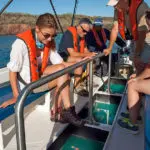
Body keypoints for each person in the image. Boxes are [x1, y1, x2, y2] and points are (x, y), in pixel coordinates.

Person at [0, 13, 85, 127]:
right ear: (37, 29)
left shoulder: (47, 43)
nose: (49, 39)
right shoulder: (20, 44)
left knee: (63, 70)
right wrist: (16, 96)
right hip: (28, 85)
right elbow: (12, 71)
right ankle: (65, 111)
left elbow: (61, 63)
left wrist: (81, 61)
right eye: (46, 35)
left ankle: (62, 111)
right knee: (63, 74)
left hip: (39, 77)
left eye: (53, 35)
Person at [105, 0, 150, 76]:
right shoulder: (117, 10)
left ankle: (140, 82)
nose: (114, 7)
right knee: (136, 64)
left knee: (142, 65)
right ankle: (137, 79)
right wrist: (109, 48)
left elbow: (142, 35)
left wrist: (137, 55)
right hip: (135, 39)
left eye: (116, 4)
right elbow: (115, 29)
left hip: (146, 40)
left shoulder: (141, 7)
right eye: (113, 5)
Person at [58, 18, 96, 95]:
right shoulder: (68, 34)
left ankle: (87, 81)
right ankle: (77, 87)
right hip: (64, 57)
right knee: (79, 60)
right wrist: (88, 55)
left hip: (74, 56)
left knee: (92, 59)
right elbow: (72, 53)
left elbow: (85, 50)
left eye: (87, 32)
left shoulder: (82, 36)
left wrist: (92, 55)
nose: (85, 33)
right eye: (84, 31)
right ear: (79, 27)